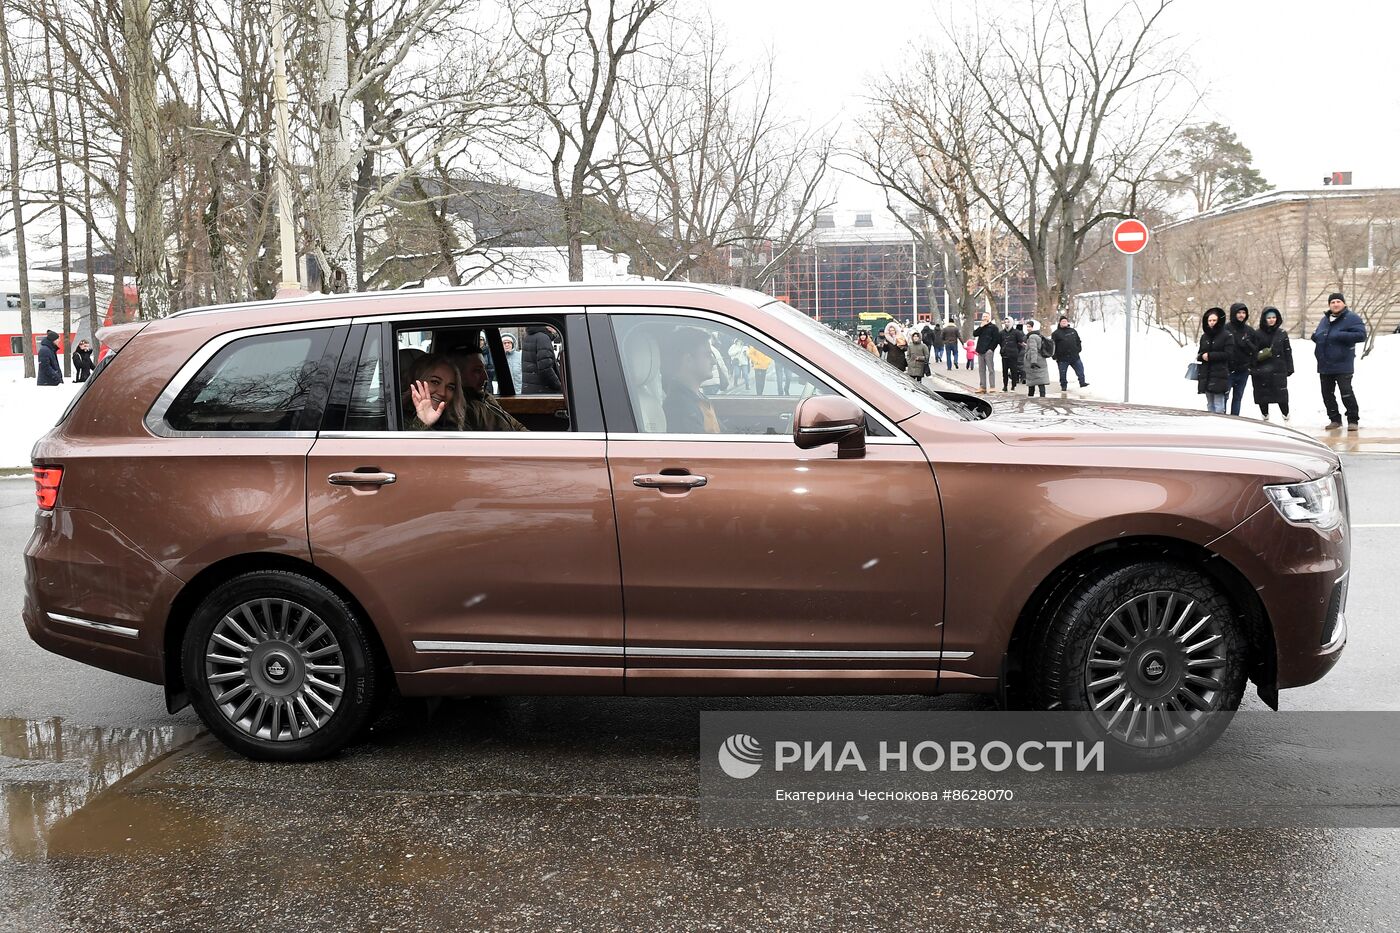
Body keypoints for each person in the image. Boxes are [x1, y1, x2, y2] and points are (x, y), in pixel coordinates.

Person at [1311, 292, 1366, 430]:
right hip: (1324, 363)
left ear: (1344, 303)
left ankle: (1353, 420)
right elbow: (1320, 333)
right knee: (1327, 394)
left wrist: (1339, 335)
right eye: (1332, 302)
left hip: (1343, 363)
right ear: (1329, 305)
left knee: (1346, 392)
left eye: (1338, 301)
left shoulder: (1352, 318)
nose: (1335, 304)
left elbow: (1361, 335)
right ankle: (1335, 419)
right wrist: (1316, 336)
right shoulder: (1325, 319)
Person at [663, 326, 724, 433]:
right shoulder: (680, 409)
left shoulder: (696, 397)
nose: (714, 361)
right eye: (708, 355)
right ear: (688, 360)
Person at [450, 350, 529, 431]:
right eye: (477, 371)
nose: (485, 377)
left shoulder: (487, 398)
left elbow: (516, 425)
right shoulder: (463, 410)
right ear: (458, 375)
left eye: (484, 369)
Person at [402, 354, 467, 430]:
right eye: (435, 382)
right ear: (416, 381)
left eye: (450, 387)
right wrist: (421, 423)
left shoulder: (453, 425)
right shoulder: (396, 421)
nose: (443, 393)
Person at [1250, 307, 1293, 422]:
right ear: (1264, 319)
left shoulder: (1282, 333)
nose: (1271, 320)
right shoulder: (1257, 334)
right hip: (1261, 371)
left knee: (1282, 397)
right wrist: (1253, 368)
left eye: (1274, 317)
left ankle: (1286, 417)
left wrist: (1290, 368)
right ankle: (1265, 418)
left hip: (1278, 370)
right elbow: (1252, 353)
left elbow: (1287, 351)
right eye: (1268, 317)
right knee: (1263, 397)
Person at [1196, 307, 1234, 413]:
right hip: (1206, 373)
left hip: (1219, 373)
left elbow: (1228, 354)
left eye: (1214, 320)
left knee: (1219, 403)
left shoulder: (1227, 335)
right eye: (1209, 320)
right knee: (1209, 403)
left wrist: (1211, 356)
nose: (1212, 323)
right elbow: (1199, 353)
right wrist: (1202, 356)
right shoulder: (1205, 336)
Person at [1225, 302, 1257, 416]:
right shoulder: (1226, 329)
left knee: (1237, 398)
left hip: (1243, 371)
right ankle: (1222, 420)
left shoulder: (1250, 331)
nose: (1241, 315)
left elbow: (1255, 351)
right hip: (1228, 370)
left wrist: (1250, 367)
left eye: (1243, 313)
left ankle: (1235, 419)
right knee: (1224, 397)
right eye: (1239, 312)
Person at [1051, 315, 1088, 391]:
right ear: (1060, 323)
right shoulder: (1056, 333)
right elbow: (1052, 345)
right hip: (1062, 358)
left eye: (1065, 321)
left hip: (1074, 356)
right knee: (1063, 374)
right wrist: (1055, 356)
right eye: (1062, 321)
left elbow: (1078, 341)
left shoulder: (1073, 331)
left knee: (1080, 370)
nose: (1064, 322)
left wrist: (1078, 349)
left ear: (1067, 322)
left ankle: (1082, 382)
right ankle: (1063, 386)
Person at [521, 325, 562, 394]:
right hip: (544, 391)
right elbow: (545, 368)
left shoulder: (528, 337)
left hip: (531, 390)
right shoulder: (543, 338)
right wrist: (558, 386)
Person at [1022, 319, 1052, 398]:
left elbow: (1034, 350)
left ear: (1034, 327)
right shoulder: (1038, 335)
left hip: (1035, 361)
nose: (1028, 328)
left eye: (1030, 327)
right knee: (1040, 381)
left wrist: (1033, 361)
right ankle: (1042, 397)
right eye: (1027, 326)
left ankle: (1031, 397)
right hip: (1041, 360)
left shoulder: (1032, 337)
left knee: (1032, 382)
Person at [973, 313, 1000, 394]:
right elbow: (975, 334)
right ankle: (982, 387)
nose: (984, 318)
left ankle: (992, 386)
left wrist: (991, 349)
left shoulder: (993, 327)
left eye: (986, 316)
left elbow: (996, 339)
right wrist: (981, 326)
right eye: (983, 316)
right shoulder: (981, 327)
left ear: (989, 317)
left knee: (990, 369)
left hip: (988, 351)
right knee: (981, 370)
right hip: (980, 350)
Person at [1000, 318, 1025, 391]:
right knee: (1004, 371)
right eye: (1005, 322)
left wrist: (1016, 350)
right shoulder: (1002, 333)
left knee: (1013, 370)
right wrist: (1002, 350)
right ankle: (1005, 386)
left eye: (1008, 322)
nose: (1006, 323)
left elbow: (1021, 343)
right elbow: (1000, 342)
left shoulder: (1016, 332)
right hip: (1004, 355)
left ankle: (1013, 386)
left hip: (1013, 355)